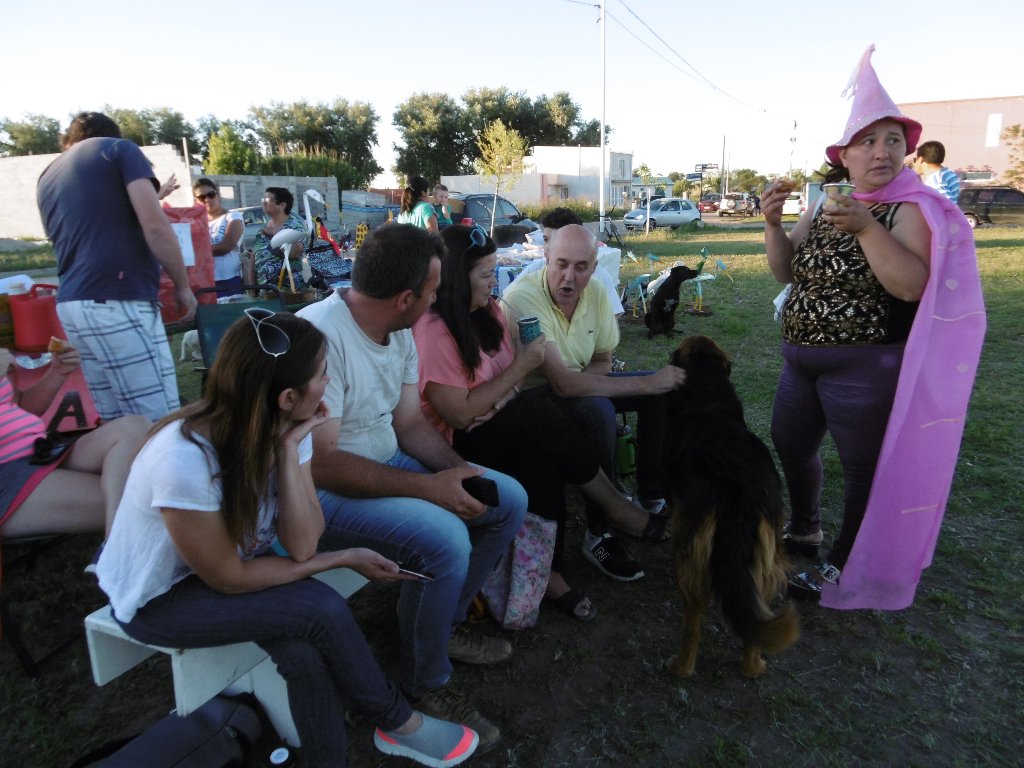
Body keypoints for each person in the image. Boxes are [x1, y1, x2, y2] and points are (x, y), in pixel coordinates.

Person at [95, 312, 479, 768]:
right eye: (322, 374)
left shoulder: (286, 427)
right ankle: (394, 720)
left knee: (303, 654)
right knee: (319, 608)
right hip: (159, 598)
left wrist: (288, 449)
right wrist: (341, 557)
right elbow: (232, 578)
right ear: (288, 396)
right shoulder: (182, 462)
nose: (329, 381)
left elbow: (301, 544)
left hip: (222, 570)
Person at [761, 45, 985, 609]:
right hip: (799, 357)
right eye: (869, 141)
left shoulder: (907, 209)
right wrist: (771, 223)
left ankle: (843, 561)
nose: (882, 151)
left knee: (863, 466)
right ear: (846, 156)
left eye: (893, 140)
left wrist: (866, 228)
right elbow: (788, 269)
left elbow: (909, 285)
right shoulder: (825, 204)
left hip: (864, 363)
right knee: (789, 442)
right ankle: (807, 528)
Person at [297, 224, 527, 753]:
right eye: (431, 291)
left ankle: (440, 626)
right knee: (445, 539)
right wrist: (429, 492)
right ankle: (426, 684)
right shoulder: (319, 338)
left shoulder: (397, 328)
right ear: (406, 298)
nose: (435, 301)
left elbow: (410, 426)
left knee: (504, 499)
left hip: (380, 460)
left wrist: (457, 474)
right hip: (316, 496)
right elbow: (323, 464)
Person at [413, 225, 662, 619]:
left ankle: (550, 572)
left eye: (494, 272)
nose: (493, 282)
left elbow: (505, 386)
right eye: (485, 275)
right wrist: (518, 373)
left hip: (498, 420)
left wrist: (502, 392)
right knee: (539, 418)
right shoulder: (433, 329)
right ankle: (614, 506)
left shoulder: (490, 311)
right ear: (458, 279)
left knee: (543, 461)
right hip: (455, 441)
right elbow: (459, 413)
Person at [501, 224, 684, 572]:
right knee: (602, 408)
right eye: (561, 264)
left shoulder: (598, 293)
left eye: (581, 267)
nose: (569, 277)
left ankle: (652, 497)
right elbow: (560, 385)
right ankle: (599, 533)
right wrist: (643, 383)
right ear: (545, 257)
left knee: (658, 395)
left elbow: (601, 363)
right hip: (531, 399)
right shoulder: (523, 298)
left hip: (574, 384)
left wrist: (641, 387)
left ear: (594, 266)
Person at [36, 112, 197, 422]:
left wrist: (156, 194)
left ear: (69, 141)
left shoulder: (48, 175)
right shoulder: (118, 150)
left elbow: (90, 223)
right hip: (117, 299)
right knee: (156, 420)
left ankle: (121, 471)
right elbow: (155, 224)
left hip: (73, 302)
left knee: (116, 422)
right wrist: (183, 286)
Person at [1, 346, 148, 539]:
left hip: (40, 451)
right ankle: (120, 554)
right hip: (7, 475)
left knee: (134, 427)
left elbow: (17, 407)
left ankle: (116, 552)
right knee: (141, 497)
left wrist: (57, 372)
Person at [519, 208, 624, 315]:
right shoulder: (534, 270)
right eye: (546, 240)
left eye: (556, 241)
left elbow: (613, 316)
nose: (547, 248)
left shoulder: (599, 276)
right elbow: (507, 300)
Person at [192, 178, 245, 296]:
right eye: (202, 197)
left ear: (218, 194)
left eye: (211, 195)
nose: (207, 199)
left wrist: (197, 250)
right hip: (203, 281)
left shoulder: (233, 217)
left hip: (229, 281)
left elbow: (226, 247)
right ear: (196, 201)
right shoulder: (196, 223)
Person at [253, 187, 309, 292]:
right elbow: (254, 259)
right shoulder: (262, 230)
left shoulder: (295, 227)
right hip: (266, 294)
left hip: (289, 295)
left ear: (282, 205)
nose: (264, 203)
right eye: (263, 200)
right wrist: (252, 291)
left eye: (268, 200)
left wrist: (275, 234)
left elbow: (294, 253)